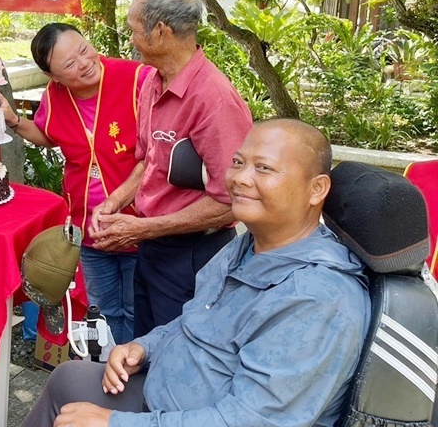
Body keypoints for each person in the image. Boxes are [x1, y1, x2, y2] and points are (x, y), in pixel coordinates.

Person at [21, 119, 372, 427]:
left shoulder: (317, 297)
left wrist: (115, 423)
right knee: (69, 380)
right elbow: (195, 319)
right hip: (166, 394)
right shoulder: (248, 244)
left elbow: (255, 420)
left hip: (201, 416)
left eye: (263, 168)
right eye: (237, 162)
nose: (239, 179)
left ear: (317, 189)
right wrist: (144, 347)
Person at [91, 0, 252, 336]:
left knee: (177, 353)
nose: (131, 39)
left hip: (193, 253)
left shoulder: (213, 99)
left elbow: (233, 202)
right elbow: (149, 160)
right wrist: (114, 202)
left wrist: (144, 228)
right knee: (145, 346)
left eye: (134, 30)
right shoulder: (153, 81)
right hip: (154, 245)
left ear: (160, 32)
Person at [0, 23, 148, 345]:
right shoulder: (55, 97)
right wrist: (13, 120)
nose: (84, 62)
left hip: (140, 223)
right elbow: (49, 136)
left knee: (138, 311)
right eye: (69, 64)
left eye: (84, 49)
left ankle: (133, 378)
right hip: (88, 228)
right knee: (103, 311)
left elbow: (157, 152)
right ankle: (104, 377)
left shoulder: (137, 79)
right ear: (55, 78)